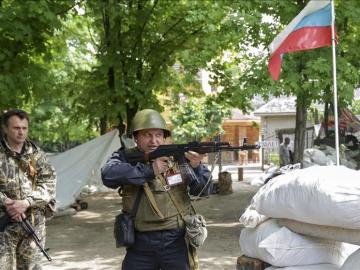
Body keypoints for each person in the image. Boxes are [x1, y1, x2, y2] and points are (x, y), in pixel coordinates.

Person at [101, 109, 211, 270]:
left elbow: (203, 190)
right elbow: (108, 175)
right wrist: (149, 170)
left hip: (176, 241)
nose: (154, 140)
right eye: (147, 135)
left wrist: (196, 167)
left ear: (164, 137)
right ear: (135, 137)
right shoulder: (126, 157)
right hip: (140, 243)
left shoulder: (178, 157)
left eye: (158, 135)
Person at [0, 109, 56, 269]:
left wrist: (26, 202)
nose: (21, 132)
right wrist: (7, 203)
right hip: (4, 226)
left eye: (24, 128)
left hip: (32, 223)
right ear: (5, 128)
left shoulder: (37, 155)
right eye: (16, 128)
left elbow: (49, 184)